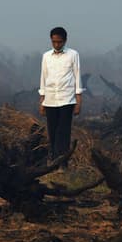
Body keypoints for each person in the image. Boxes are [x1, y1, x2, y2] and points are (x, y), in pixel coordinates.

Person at [38, 26, 83, 170]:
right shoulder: (46, 56)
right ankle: (54, 162)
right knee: (52, 131)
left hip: (67, 99)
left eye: (60, 42)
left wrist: (78, 100)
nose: (57, 45)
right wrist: (42, 100)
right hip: (50, 98)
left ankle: (62, 163)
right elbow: (43, 77)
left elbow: (77, 76)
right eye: (54, 42)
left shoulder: (73, 55)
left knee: (63, 132)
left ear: (65, 41)